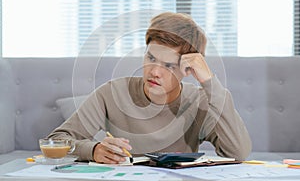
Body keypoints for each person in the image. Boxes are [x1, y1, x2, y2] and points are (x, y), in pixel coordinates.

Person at [47, 12, 252, 164]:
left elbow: (237, 153)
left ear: (187, 69)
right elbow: (57, 140)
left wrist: (209, 82)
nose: (154, 71)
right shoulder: (112, 93)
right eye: (151, 58)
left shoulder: (200, 102)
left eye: (169, 66)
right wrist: (92, 150)